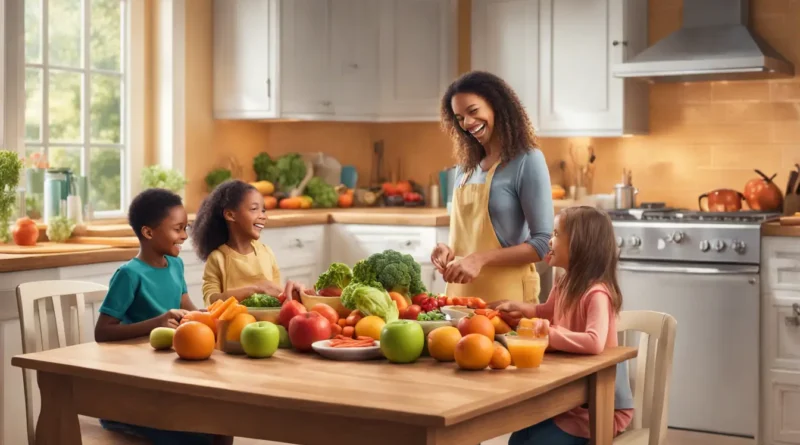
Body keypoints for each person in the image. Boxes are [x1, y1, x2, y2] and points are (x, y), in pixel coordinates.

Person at [94, 188, 231, 445]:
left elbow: (187, 307)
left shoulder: (176, 265)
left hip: (166, 380)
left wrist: (211, 316)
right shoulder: (129, 274)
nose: (184, 236)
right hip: (130, 396)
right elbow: (102, 332)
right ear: (148, 232)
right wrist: (156, 322)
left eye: (186, 227)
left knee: (222, 427)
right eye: (178, 229)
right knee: (204, 439)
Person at [496, 206, 634, 445]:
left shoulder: (597, 293)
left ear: (580, 245)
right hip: (570, 398)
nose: (549, 240)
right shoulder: (565, 282)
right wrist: (519, 309)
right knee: (518, 440)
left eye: (557, 235)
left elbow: (594, 341)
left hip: (598, 405)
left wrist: (547, 332)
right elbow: (545, 312)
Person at [431, 70, 553, 305]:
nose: (466, 123)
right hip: (459, 301)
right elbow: (467, 237)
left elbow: (543, 243)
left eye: (473, 111)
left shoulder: (527, 160)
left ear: (497, 105)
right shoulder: (464, 168)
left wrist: (480, 259)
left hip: (509, 302)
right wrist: (446, 250)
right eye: (459, 118)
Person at [192, 179, 304, 306]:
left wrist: (294, 294)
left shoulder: (266, 253)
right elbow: (210, 301)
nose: (263, 216)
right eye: (254, 209)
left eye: (263, 210)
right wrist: (255, 289)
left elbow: (279, 297)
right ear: (230, 215)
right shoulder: (218, 258)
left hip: (269, 324)